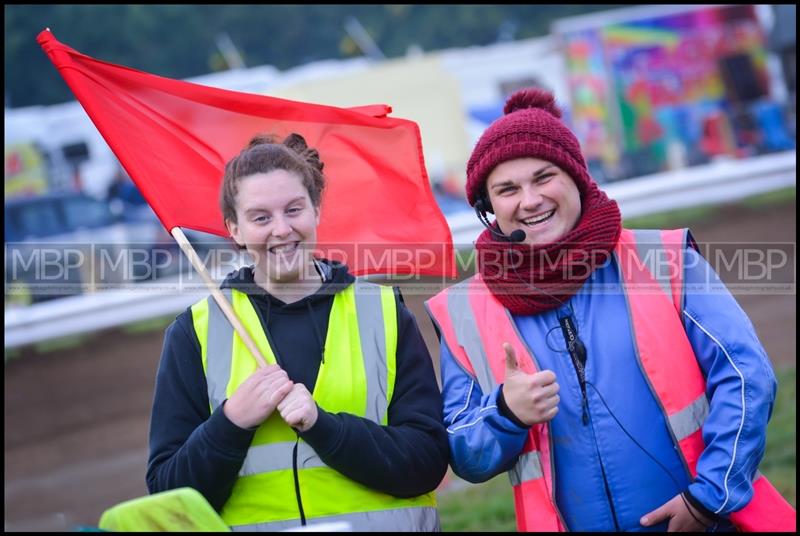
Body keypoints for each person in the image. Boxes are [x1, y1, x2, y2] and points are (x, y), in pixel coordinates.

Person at [425, 88, 795, 532]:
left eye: (544, 177)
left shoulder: (667, 258)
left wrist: (709, 499)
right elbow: (462, 451)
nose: (529, 200)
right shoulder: (462, 309)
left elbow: (745, 377)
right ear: (488, 207)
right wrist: (505, 412)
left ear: (578, 177)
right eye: (507, 189)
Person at [147, 133, 448, 531]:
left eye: (293, 209)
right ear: (233, 229)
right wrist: (231, 423)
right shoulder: (194, 333)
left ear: (317, 210)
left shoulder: (385, 312)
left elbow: (427, 462)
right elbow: (170, 502)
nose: (281, 229)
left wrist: (324, 427)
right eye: (260, 217)